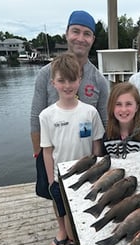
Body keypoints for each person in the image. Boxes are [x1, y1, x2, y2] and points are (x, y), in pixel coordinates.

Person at [39, 52, 105, 245]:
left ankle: (84, 243)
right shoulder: (46, 115)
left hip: (86, 176)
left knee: (86, 213)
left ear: (80, 80)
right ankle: (70, 240)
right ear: (53, 82)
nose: (67, 85)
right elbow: (47, 151)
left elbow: (96, 145)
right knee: (66, 214)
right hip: (61, 179)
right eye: (61, 80)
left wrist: (96, 173)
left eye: (72, 80)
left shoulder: (90, 112)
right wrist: (52, 181)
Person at [31, 10, 109, 157]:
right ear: (66, 34)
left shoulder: (100, 80)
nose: (80, 38)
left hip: (86, 159)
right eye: (75, 31)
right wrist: (38, 154)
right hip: (52, 157)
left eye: (87, 34)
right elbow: (36, 119)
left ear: (93, 39)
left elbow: (104, 124)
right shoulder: (46, 74)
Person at [103, 81, 140, 157]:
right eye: (118, 104)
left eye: (128, 104)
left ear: (137, 107)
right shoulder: (107, 136)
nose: (123, 109)